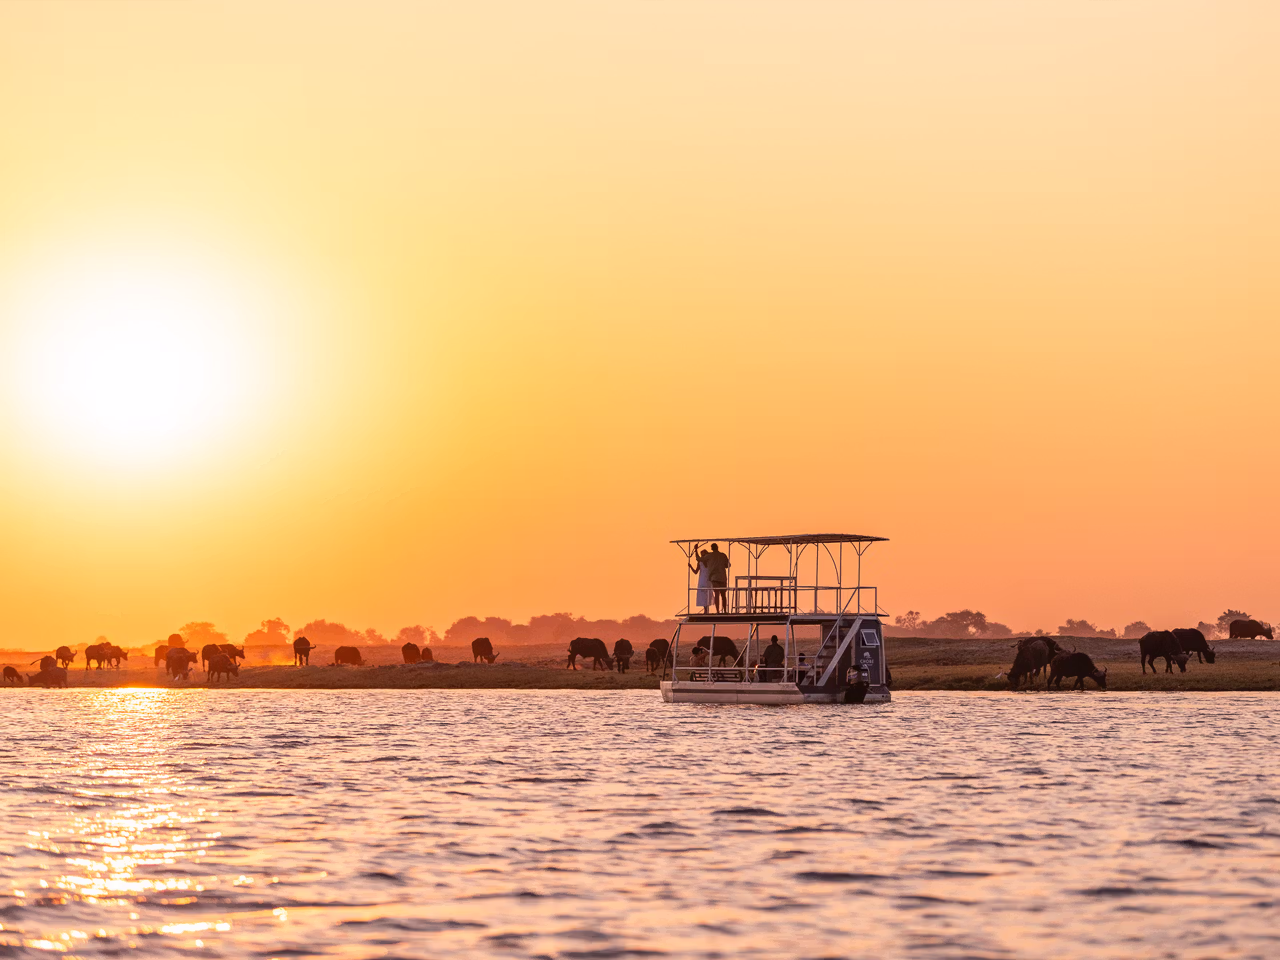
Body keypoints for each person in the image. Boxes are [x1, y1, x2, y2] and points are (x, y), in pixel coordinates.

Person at [704, 543, 731, 613]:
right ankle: (725, 610)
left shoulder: (709, 556)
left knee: (716, 594)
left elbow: (699, 559)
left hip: (714, 577)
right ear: (717, 547)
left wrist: (695, 550)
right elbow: (728, 565)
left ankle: (717, 611)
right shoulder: (723, 555)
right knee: (723, 595)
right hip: (722, 577)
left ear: (711, 548)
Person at [689, 546, 713, 614]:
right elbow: (696, 572)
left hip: (706, 578)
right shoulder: (702, 562)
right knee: (704, 593)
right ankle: (705, 609)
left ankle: (706, 609)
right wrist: (691, 567)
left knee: (706, 593)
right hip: (704, 578)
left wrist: (696, 550)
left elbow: (698, 559)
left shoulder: (707, 561)